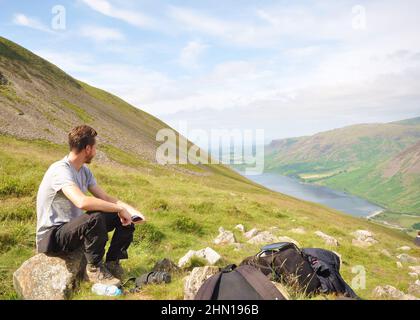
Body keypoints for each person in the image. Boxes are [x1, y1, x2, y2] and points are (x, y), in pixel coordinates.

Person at [36, 125, 146, 286]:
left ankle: (113, 263)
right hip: (53, 236)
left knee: (120, 217)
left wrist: (131, 212)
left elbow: (106, 197)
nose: (95, 151)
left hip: (72, 229)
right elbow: (81, 201)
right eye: (95, 148)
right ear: (87, 148)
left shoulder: (84, 171)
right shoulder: (60, 170)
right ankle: (94, 269)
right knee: (96, 216)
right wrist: (119, 209)